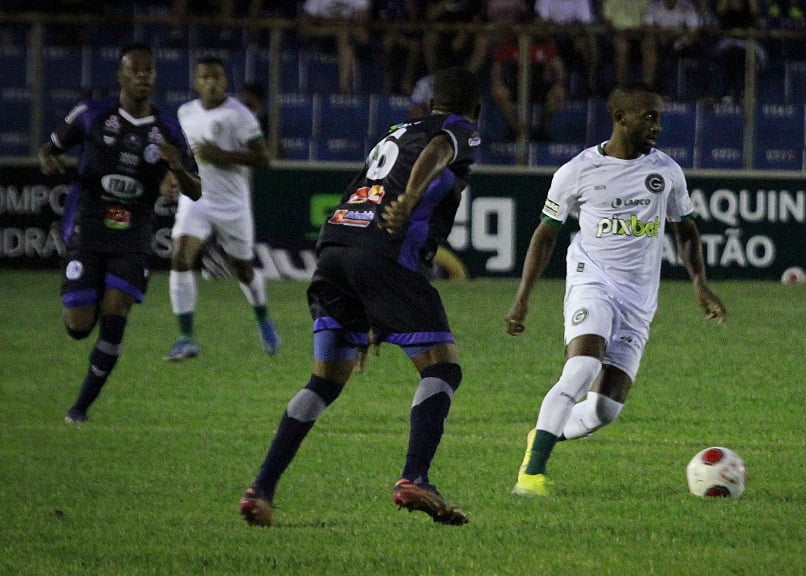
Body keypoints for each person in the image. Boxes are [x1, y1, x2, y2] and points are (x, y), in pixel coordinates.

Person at [239, 66, 481, 527]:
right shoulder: (459, 129)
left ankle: (261, 490)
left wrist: (370, 309)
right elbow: (440, 148)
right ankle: (415, 478)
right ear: (476, 110)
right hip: (385, 252)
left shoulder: (395, 133)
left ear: (429, 103)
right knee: (442, 366)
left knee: (325, 381)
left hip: (335, 248)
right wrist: (411, 198)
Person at [505, 82, 727, 497]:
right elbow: (545, 235)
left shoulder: (666, 172)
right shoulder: (577, 171)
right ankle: (531, 476)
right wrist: (522, 298)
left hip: (638, 299)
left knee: (604, 411)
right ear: (621, 118)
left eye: (659, 116)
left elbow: (687, 232)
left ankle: (543, 435)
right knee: (582, 368)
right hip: (593, 282)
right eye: (649, 116)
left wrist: (701, 285)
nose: (657, 125)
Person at [37, 43, 201, 424]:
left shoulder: (168, 130)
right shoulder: (91, 115)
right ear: (121, 75)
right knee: (78, 326)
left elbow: (196, 190)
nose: (144, 74)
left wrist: (176, 168)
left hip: (133, 234)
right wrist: (50, 160)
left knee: (117, 309)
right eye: (135, 69)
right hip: (88, 228)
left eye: (150, 69)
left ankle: (80, 408)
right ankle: (87, 298)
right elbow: (50, 148)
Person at [164, 56, 278, 361]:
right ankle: (186, 337)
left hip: (232, 204)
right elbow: (183, 152)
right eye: (205, 77)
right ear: (196, 82)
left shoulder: (240, 115)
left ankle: (262, 316)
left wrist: (221, 154)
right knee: (180, 257)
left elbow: (263, 159)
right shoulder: (185, 112)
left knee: (243, 269)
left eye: (217, 77)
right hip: (196, 198)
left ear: (226, 82)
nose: (212, 82)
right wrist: (171, 176)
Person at [489, 31, 567, 142]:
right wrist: (497, 82)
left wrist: (559, 83)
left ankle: (540, 127)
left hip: (539, 86)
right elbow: (496, 67)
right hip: (515, 85)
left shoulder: (544, 44)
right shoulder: (509, 45)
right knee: (498, 92)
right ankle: (516, 129)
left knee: (558, 94)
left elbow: (557, 64)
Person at [298, 0, 373, 94]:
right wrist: (328, 20)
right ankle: (343, 85)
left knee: (346, 35)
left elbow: (364, 16)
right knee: (342, 33)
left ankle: (344, 85)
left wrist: (348, 22)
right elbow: (305, 19)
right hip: (324, 31)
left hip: (348, 29)